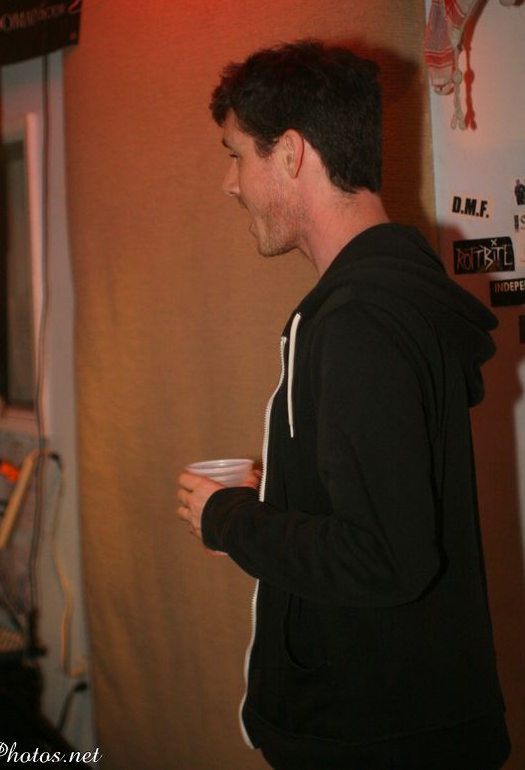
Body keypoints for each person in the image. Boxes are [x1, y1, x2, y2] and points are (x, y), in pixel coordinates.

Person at [176, 41, 510, 770]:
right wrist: (288, 492)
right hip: (407, 728)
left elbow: (385, 557)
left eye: (238, 156)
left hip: (374, 743)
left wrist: (229, 520)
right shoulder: (394, 299)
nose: (231, 184)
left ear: (291, 153)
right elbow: (387, 504)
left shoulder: (359, 322)